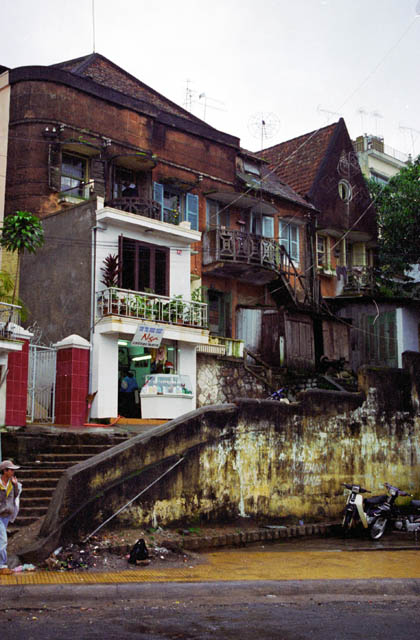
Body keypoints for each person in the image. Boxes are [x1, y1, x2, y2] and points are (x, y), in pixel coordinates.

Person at [0, 460, 22, 575]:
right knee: (3, 540)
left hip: (6, 515)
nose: (13, 472)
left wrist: (15, 485)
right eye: (11, 470)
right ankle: (2, 566)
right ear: (5, 471)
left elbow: (15, 495)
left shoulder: (12, 483)